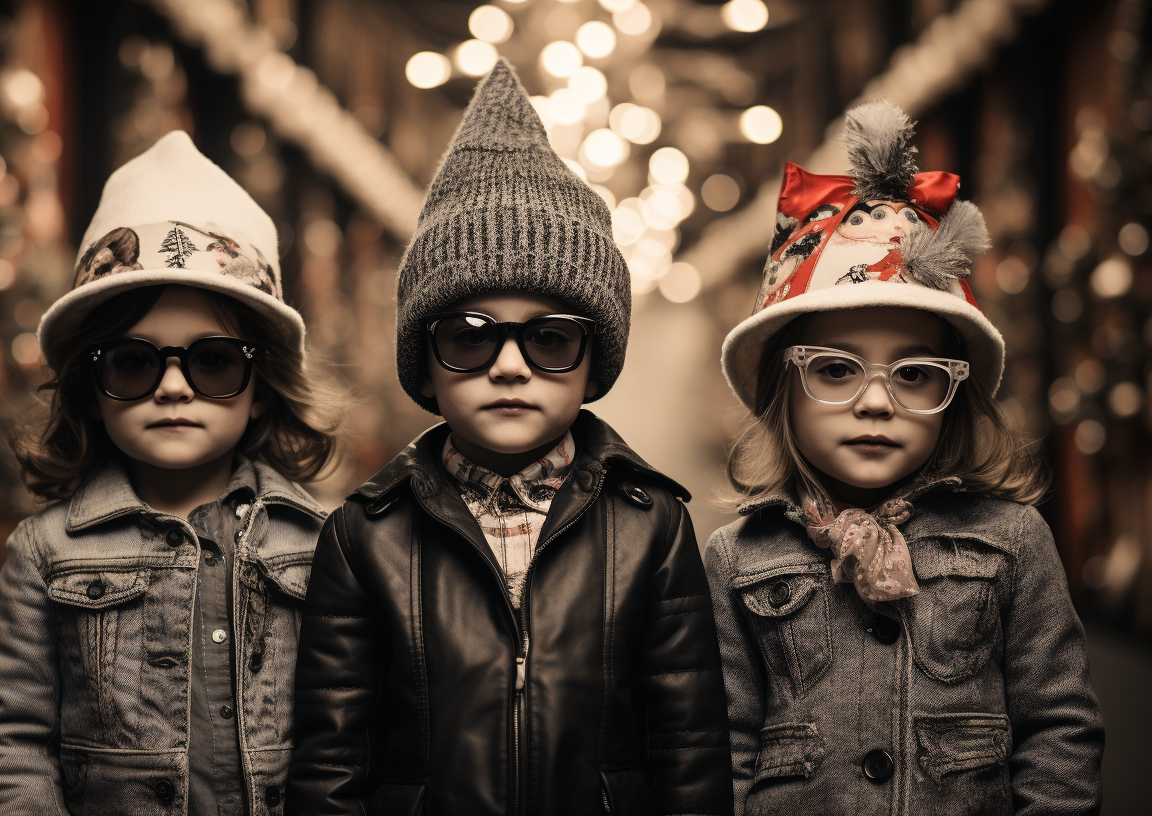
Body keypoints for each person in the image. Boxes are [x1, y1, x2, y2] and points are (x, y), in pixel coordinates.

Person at [286, 60, 733, 816]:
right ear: (424, 364)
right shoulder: (365, 537)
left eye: (550, 339)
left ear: (594, 361)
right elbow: (331, 758)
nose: (510, 367)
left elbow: (688, 748)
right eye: (469, 337)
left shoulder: (652, 526)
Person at [708, 101, 1104, 816]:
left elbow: (1058, 732)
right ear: (783, 390)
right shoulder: (738, 558)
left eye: (915, 374)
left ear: (954, 396)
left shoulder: (1012, 541)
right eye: (835, 369)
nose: (877, 402)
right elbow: (724, 745)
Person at [0, 132, 338, 816]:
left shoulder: (323, 542)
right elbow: (12, 739)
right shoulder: (45, 553)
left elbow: (350, 735)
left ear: (260, 385)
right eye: (134, 362)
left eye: (214, 361)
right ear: (91, 386)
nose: (173, 388)